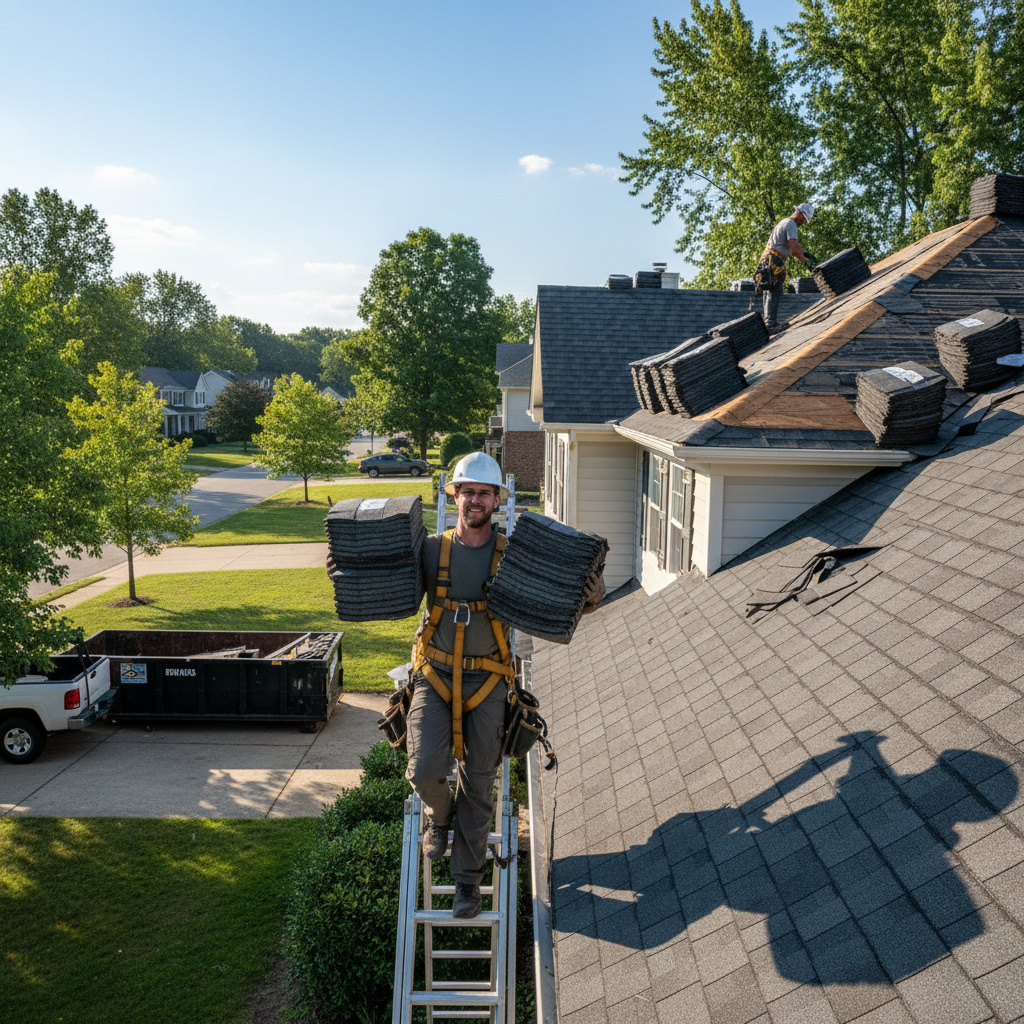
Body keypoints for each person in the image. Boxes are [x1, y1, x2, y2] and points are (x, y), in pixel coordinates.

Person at [406, 451, 604, 918]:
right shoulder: (431, 550)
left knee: (479, 783)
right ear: (455, 496)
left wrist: (591, 596)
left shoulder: (514, 555)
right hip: (435, 674)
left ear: (497, 500)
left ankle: (467, 883)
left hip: (490, 679)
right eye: (467, 492)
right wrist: (347, 567)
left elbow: (558, 601)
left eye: (484, 493)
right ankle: (439, 817)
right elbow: (389, 584)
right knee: (422, 769)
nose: (474, 500)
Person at [761, 202, 816, 332]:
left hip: (768, 258)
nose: (803, 222)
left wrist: (803, 253)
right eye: (804, 219)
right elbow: (794, 249)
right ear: (799, 213)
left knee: (770, 289)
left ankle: (767, 322)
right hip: (774, 259)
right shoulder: (791, 224)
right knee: (774, 290)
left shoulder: (784, 222)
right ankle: (770, 324)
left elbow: (794, 245)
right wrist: (806, 262)